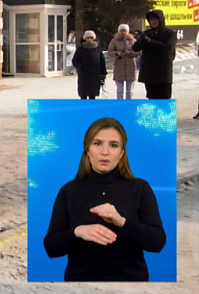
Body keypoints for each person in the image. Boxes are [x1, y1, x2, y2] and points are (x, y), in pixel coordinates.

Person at [43, 117, 166, 281]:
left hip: (131, 285)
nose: (105, 152)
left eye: (113, 145)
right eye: (97, 143)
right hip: (80, 287)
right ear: (87, 149)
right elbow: (51, 247)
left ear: (122, 152)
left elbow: (157, 242)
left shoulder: (140, 188)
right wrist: (78, 232)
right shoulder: (69, 191)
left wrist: (121, 222)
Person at [132, 9, 176, 99]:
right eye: (151, 20)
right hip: (149, 73)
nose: (153, 22)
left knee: (164, 99)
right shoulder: (147, 33)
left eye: (156, 19)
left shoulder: (169, 33)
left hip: (163, 72)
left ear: (161, 20)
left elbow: (167, 48)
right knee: (152, 99)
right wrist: (141, 39)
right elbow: (135, 48)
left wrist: (150, 41)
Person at [106, 24, 139, 99]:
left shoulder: (133, 41)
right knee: (119, 90)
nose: (123, 33)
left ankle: (128, 104)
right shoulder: (114, 41)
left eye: (125, 31)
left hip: (130, 67)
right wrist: (117, 53)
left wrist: (130, 53)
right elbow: (109, 52)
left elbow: (138, 52)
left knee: (129, 91)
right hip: (119, 67)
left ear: (128, 31)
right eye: (121, 31)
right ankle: (120, 104)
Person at [71, 30, 106, 100]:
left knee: (92, 96)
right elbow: (74, 61)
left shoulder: (97, 49)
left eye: (91, 38)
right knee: (83, 95)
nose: (89, 39)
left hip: (95, 76)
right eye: (88, 38)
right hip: (84, 76)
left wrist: (103, 73)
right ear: (85, 39)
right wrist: (81, 67)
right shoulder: (80, 50)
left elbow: (102, 61)